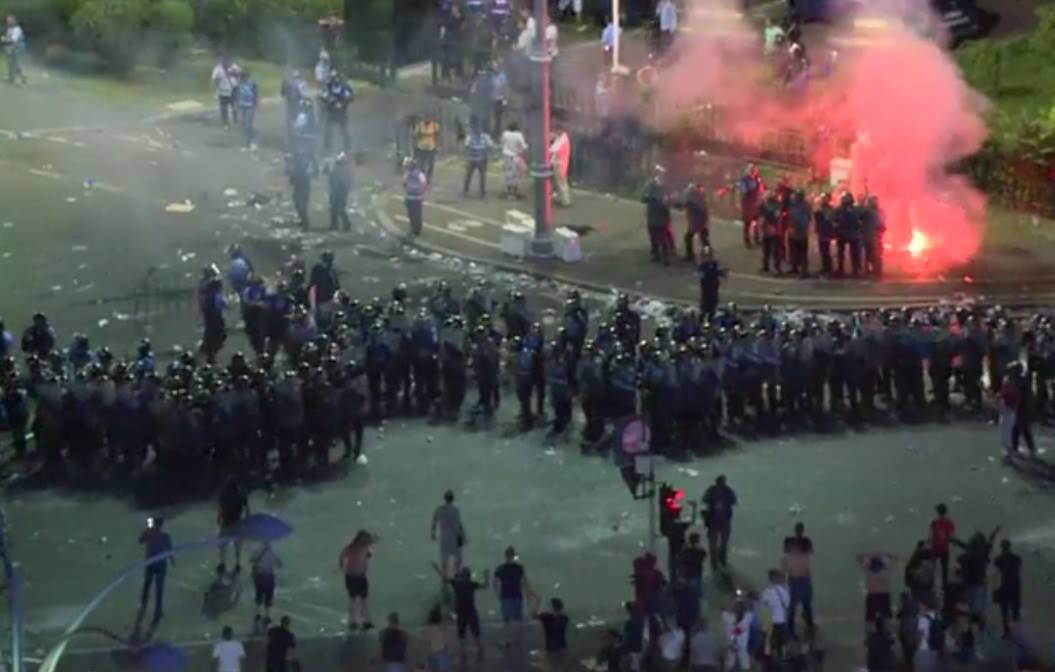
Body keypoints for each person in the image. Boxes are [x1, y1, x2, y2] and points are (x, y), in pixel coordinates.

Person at [435, 565, 488, 662]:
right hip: (470, 612)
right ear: (469, 576)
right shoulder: (470, 584)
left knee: (462, 635)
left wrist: (437, 569)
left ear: (462, 575)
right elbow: (485, 586)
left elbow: (445, 578)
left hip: (462, 612)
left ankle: (464, 655)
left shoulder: (458, 583)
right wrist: (486, 576)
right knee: (476, 634)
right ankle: (479, 652)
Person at [339, 530, 379, 630]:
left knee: (356, 599)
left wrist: (341, 565)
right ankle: (363, 621)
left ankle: (356, 622)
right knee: (361, 599)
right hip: (358, 576)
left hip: (353, 575)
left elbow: (342, 555)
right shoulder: (363, 547)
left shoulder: (352, 547)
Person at [138, 515, 173, 624]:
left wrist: (147, 531)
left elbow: (140, 540)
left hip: (152, 564)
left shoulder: (151, 533)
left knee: (148, 585)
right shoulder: (164, 536)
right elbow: (169, 549)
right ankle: (157, 610)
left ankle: (145, 605)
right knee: (157, 588)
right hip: (160, 565)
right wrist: (172, 560)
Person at [782, 522, 814, 637]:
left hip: (794, 579)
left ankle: (790, 629)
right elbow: (810, 554)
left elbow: (785, 558)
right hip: (803, 578)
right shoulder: (806, 543)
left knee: (792, 605)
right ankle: (809, 625)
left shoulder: (788, 542)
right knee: (806, 603)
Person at [702, 475, 737, 572]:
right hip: (724, 520)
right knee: (724, 542)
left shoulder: (711, 490)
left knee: (713, 543)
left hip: (713, 520)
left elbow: (704, 500)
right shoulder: (728, 490)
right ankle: (722, 559)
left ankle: (714, 562)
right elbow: (734, 501)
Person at [217, 476, 249, 575]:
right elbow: (247, 509)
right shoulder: (241, 494)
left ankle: (222, 563)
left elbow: (221, 508)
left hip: (226, 522)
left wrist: (218, 518)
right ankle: (238, 564)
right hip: (237, 522)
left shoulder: (224, 494)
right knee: (238, 545)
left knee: (222, 545)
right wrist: (248, 520)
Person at [642, 166, 674, 265]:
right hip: (652, 214)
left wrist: (668, 200)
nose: (662, 175)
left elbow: (671, 199)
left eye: (663, 174)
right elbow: (643, 198)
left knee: (663, 237)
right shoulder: (650, 185)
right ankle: (655, 254)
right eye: (661, 173)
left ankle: (666, 257)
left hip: (663, 215)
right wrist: (654, 198)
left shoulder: (667, 186)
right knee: (653, 236)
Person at [431, 490, 466, 577]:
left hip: (444, 537)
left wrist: (433, 533)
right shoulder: (455, 509)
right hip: (454, 536)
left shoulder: (439, 509)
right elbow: (459, 524)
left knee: (444, 559)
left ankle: (444, 578)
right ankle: (457, 575)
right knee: (458, 559)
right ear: (453, 499)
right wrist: (463, 536)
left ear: (444, 498)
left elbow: (434, 521)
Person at [857, 552, 896, 625]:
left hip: (872, 596)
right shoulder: (886, 572)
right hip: (884, 596)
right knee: (886, 617)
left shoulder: (868, 572)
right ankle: (885, 632)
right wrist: (885, 557)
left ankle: (873, 632)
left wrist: (870, 556)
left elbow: (859, 559)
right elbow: (893, 560)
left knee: (871, 618)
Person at [759, 569, 790, 662]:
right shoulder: (784, 591)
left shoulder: (767, 592)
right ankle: (782, 661)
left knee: (769, 645)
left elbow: (762, 605)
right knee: (781, 644)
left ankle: (770, 663)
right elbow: (787, 604)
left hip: (771, 623)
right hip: (782, 622)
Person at [993, 539, 1021, 638]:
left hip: (1004, 586)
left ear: (1002, 548)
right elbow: (1018, 571)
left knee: (1004, 611)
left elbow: (997, 575)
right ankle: (1014, 627)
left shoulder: (998, 559)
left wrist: (995, 590)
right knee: (1015, 608)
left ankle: (1007, 631)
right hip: (1015, 586)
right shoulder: (1017, 558)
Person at [494, 546, 530, 623]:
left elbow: (495, 582)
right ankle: (517, 633)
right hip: (514, 594)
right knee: (516, 617)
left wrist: (497, 594)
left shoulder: (501, 568)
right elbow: (525, 581)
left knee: (509, 617)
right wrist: (527, 592)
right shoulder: (518, 568)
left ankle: (511, 632)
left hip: (507, 594)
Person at [321, 70, 354, 151]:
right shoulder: (328, 87)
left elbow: (350, 97)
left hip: (341, 112)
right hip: (331, 112)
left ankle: (348, 147)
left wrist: (343, 103)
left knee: (344, 130)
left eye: (336, 78)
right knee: (328, 130)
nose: (335, 80)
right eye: (333, 78)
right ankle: (327, 147)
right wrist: (329, 99)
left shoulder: (344, 87)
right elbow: (323, 96)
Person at [463, 117, 493, 198]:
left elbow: (490, 146)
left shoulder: (485, 137)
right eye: (476, 128)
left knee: (482, 176)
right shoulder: (470, 137)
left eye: (479, 128)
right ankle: (465, 190)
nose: (478, 129)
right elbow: (466, 146)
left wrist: (486, 153)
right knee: (468, 175)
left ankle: (482, 192)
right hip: (472, 159)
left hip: (481, 159)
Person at [535, 597, 569, 665]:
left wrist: (537, 602)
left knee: (552, 667)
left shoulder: (546, 618)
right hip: (563, 648)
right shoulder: (565, 618)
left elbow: (533, 614)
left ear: (551, 607)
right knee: (562, 667)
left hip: (550, 649)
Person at [929, 503, 956, 590]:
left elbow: (930, 536)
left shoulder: (934, 522)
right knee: (945, 571)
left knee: (932, 569)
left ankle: (931, 586)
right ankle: (944, 589)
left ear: (938, 512)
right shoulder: (950, 523)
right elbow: (952, 538)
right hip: (944, 549)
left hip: (934, 549)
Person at [500, 122, 528, 199]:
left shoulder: (505, 134)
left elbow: (502, 143)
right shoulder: (518, 135)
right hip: (516, 156)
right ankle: (515, 192)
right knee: (517, 174)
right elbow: (523, 146)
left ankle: (509, 192)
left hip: (506, 155)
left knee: (508, 173)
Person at [697, 246, 725, 320]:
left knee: (714, 300)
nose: (708, 258)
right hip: (706, 286)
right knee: (705, 300)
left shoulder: (715, 264)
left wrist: (722, 273)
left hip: (714, 285)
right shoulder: (703, 266)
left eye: (709, 256)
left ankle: (712, 314)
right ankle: (703, 314)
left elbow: (719, 271)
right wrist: (704, 274)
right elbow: (701, 274)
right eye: (706, 256)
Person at [327, 152, 353, 232]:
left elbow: (335, 181)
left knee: (338, 209)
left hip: (339, 192)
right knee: (335, 209)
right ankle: (336, 225)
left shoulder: (340, 170)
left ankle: (345, 224)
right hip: (338, 192)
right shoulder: (342, 169)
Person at [211, 56, 238, 130]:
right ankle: (225, 123)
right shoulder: (217, 69)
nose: (226, 62)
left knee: (234, 105)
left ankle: (235, 117)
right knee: (224, 108)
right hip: (222, 90)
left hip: (233, 89)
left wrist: (233, 73)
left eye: (227, 60)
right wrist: (214, 91)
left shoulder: (234, 67)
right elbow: (213, 80)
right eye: (224, 61)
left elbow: (240, 76)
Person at [404, 158, 428, 238]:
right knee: (417, 214)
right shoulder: (420, 174)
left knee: (411, 215)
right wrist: (421, 192)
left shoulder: (407, 174)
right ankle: (417, 230)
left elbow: (404, 183)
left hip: (410, 198)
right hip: (418, 198)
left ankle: (413, 229)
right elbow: (424, 184)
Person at [236, 68, 259, 149]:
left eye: (243, 75)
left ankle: (252, 142)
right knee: (243, 125)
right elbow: (238, 94)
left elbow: (255, 95)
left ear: (247, 76)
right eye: (241, 76)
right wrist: (237, 104)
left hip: (250, 106)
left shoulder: (252, 84)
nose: (242, 77)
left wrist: (256, 104)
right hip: (242, 106)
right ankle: (247, 143)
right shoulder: (240, 84)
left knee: (248, 124)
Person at [414, 113, 441, 182]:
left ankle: (429, 178)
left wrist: (437, 145)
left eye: (428, 118)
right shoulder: (420, 125)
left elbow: (437, 136)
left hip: (431, 147)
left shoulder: (435, 125)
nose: (427, 120)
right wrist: (416, 143)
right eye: (426, 118)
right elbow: (416, 135)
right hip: (421, 147)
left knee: (431, 164)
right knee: (421, 164)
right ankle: (422, 177)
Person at [550, 126, 572, 207]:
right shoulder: (561, 137)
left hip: (561, 163)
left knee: (562, 183)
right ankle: (562, 199)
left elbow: (554, 149)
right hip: (558, 163)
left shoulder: (563, 139)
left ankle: (566, 201)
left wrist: (549, 148)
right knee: (559, 183)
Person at [3, 15, 27, 86]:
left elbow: (13, 40)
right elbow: (8, 39)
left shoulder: (17, 29)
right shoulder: (10, 29)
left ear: (14, 21)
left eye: (10, 20)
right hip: (12, 48)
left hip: (18, 48)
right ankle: (11, 78)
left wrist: (4, 40)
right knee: (10, 63)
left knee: (16, 64)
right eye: (8, 20)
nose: (9, 22)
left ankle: (22, 78)